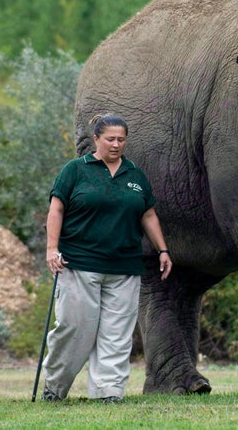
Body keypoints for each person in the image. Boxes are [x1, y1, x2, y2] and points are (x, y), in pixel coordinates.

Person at [41, 114, 173, 403]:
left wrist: (163, 249)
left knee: (117, 334)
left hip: (125, 266)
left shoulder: (135, 175)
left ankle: (108, 393)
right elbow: (56, 210)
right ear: (96, 139)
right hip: (78, 263)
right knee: (75, 328)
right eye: (110, 139)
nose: (116, 144)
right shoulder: (75, 170)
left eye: (121, 139)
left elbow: (148, 214)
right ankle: (55, 387)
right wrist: (52, 248)